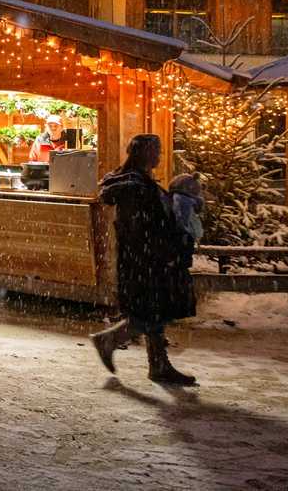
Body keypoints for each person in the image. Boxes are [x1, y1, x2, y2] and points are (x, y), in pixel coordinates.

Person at [89, 134, 198, 386]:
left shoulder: (137, 183)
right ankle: (111, 341)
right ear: (144, 153)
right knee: (150, 312)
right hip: (144, 259)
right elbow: (141, 227)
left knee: (153, 310)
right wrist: (166, 248)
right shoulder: (136, 187)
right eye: (156, 151)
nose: (159, 156)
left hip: (143, 257)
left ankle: (158, 364)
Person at [168, 173, 204, 257]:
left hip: (174, 241)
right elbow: (194, 227)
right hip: (182, 240)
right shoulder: (186, 202)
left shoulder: (170, 199)